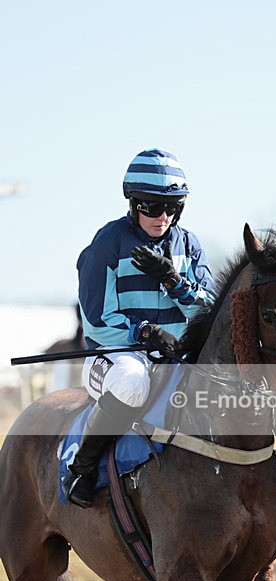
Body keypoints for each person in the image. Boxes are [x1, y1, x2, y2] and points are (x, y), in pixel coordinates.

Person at [62, 148, 216, 508]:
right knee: (134, 384)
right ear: (133, 203)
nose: (162, 217)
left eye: (173, 207)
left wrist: (173, 279)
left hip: (178, 355)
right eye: (151, 207)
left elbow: (206, 309)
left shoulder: (189, 245)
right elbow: (97, 320)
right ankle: (81, 469)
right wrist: (145, 333)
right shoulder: (107, 243)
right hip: (116, 356)